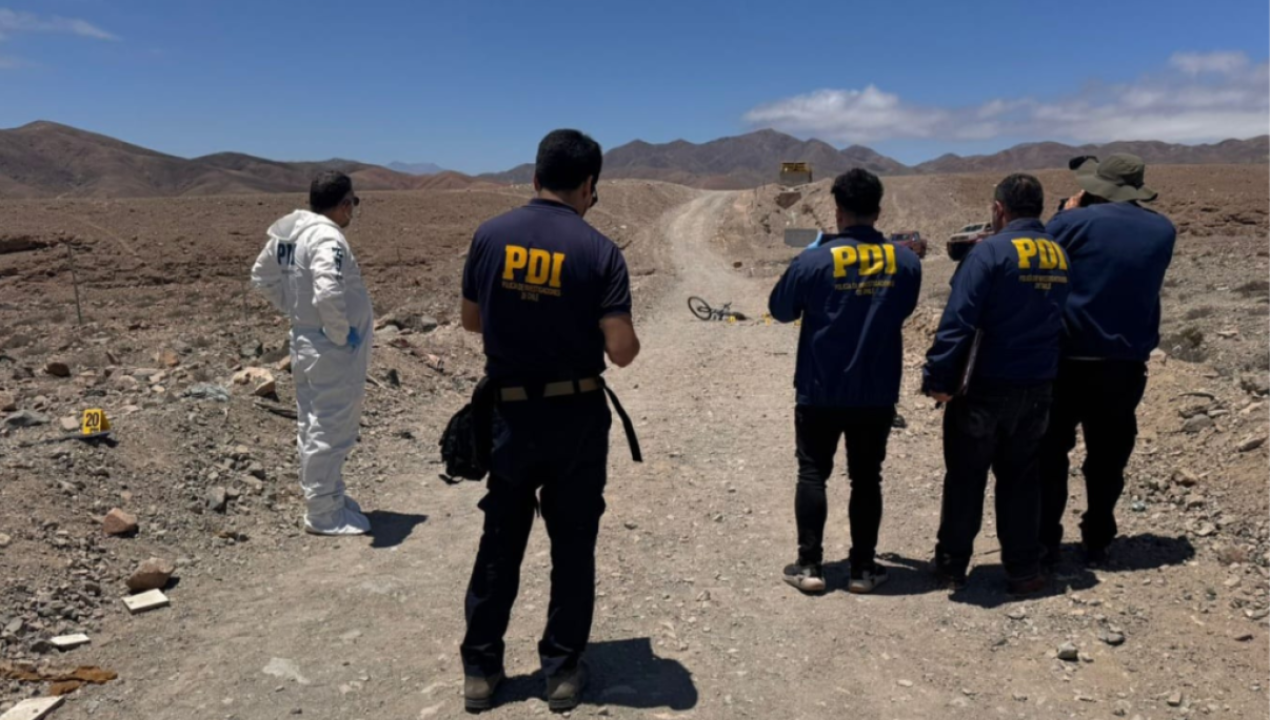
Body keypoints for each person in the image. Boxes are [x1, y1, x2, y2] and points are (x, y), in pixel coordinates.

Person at [458, 129, 640, 713]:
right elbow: (621, 350)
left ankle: (481, 670)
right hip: (576, 416)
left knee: (500, 540)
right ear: (589, 185)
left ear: (535, 177)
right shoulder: (600, 251)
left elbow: (471, 321)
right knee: (573, 543)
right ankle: (561, 672)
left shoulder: (490, 236)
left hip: (509, 414)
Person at [768, 169, 922, 595]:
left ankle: (809, 566)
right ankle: (862, 569)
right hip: (876, 390)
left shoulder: (814, 260)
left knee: (812, 473)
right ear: (878, 210)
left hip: (820, 388)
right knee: (867, 477)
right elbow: (903, 309)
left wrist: (807, 265)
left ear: (837, 211)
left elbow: (780, 309)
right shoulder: (906, 262)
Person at [923, 174, 1068, 595]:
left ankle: (952, 565)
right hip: (1038, 384)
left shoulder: (989, 252)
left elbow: (958, 321)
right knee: (1022, 478)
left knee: (966, 477)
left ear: (999, 209)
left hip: (985, 385)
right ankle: (1023, 569)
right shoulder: (1059, 253)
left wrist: (939, 379)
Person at [1039, 154, 1176, 566]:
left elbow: (1042, 256)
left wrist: (1066, 214)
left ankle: (1045, 540)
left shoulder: (1073, 223)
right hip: (1124, 364)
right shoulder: (1163, 229)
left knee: (1050, 453)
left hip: (1065, 360)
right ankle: (1098, 538)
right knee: (1108, 457)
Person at [250, 171, 373, 536]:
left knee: (312, 422)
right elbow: (327, 289)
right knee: (331, 426)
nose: (353, 209)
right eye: (353, 202)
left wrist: (296, 310)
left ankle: (328, 495)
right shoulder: (327, 237)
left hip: (306, 342)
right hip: (328, 349)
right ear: (345, 204)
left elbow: (262, 275)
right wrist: (339, 334)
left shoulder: (289, 232)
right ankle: (323, 513)